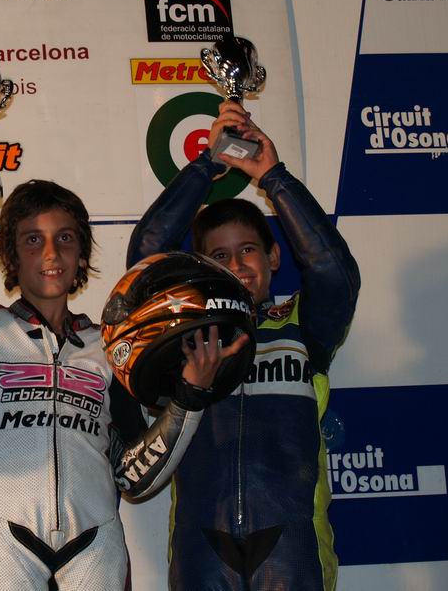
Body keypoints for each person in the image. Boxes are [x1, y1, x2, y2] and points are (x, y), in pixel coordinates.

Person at [0, 118, 248, 590]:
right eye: (33, 239)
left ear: (82, 254)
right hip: (0, 534)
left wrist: (189, 399)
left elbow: (133, 478)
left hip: (95, 540)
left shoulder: (111, 347)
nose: (51, 253)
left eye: (65, 238)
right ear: (12, 257)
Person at [128, 101, 361, 590]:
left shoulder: (303, 327)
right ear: (201, 264)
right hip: (200, 549)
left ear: (274, 256)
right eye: (219, 255)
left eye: (248, 250)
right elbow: (146, 258)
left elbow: (334, 273)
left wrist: (273, 177)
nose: (236, 265)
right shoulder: (184, 336)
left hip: (294, 546)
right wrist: (207, 165)